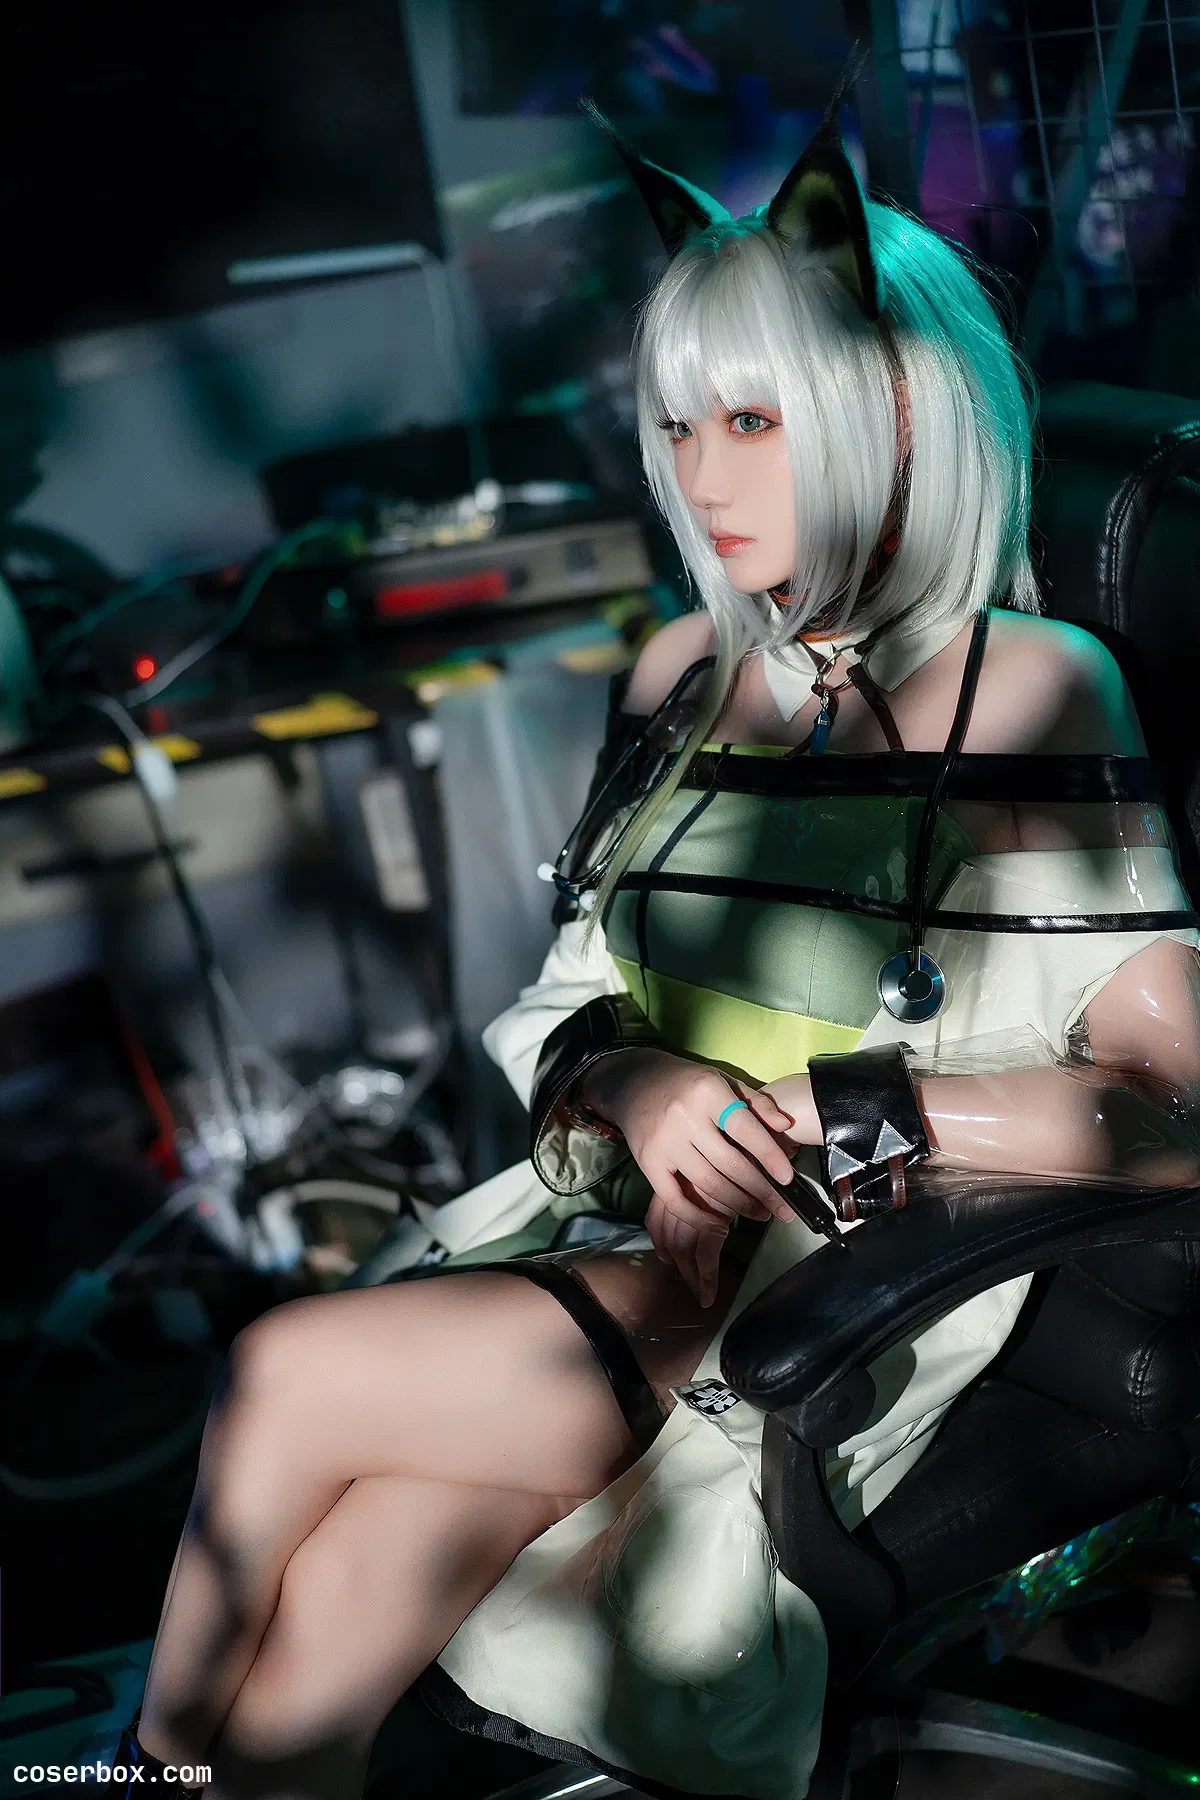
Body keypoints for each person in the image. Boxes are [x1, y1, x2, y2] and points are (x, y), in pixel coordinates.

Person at [119, 100, 1200, 1800]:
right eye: (682, 423)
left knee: (280, 1376)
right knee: (330, 1626)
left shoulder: (1034, 689)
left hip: (826, 1288)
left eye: (753, 421)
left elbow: (1174, 1102)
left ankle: (135, 1771)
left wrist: (846, 1110)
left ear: (894, 408)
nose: (703, 476)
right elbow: (570, 995)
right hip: (607, 1243)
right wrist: (634, 1079)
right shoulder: (682, 677)